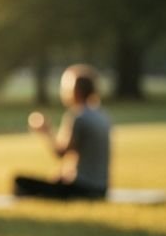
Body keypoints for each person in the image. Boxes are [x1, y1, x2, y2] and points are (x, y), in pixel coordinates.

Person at [13, 64, 112, 200]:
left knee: (20, 182)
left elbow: (61, 152)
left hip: (83, 188)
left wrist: (46, 131)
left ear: (75, 90)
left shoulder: (78, 117)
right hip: (101, 188)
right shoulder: (102, 116)